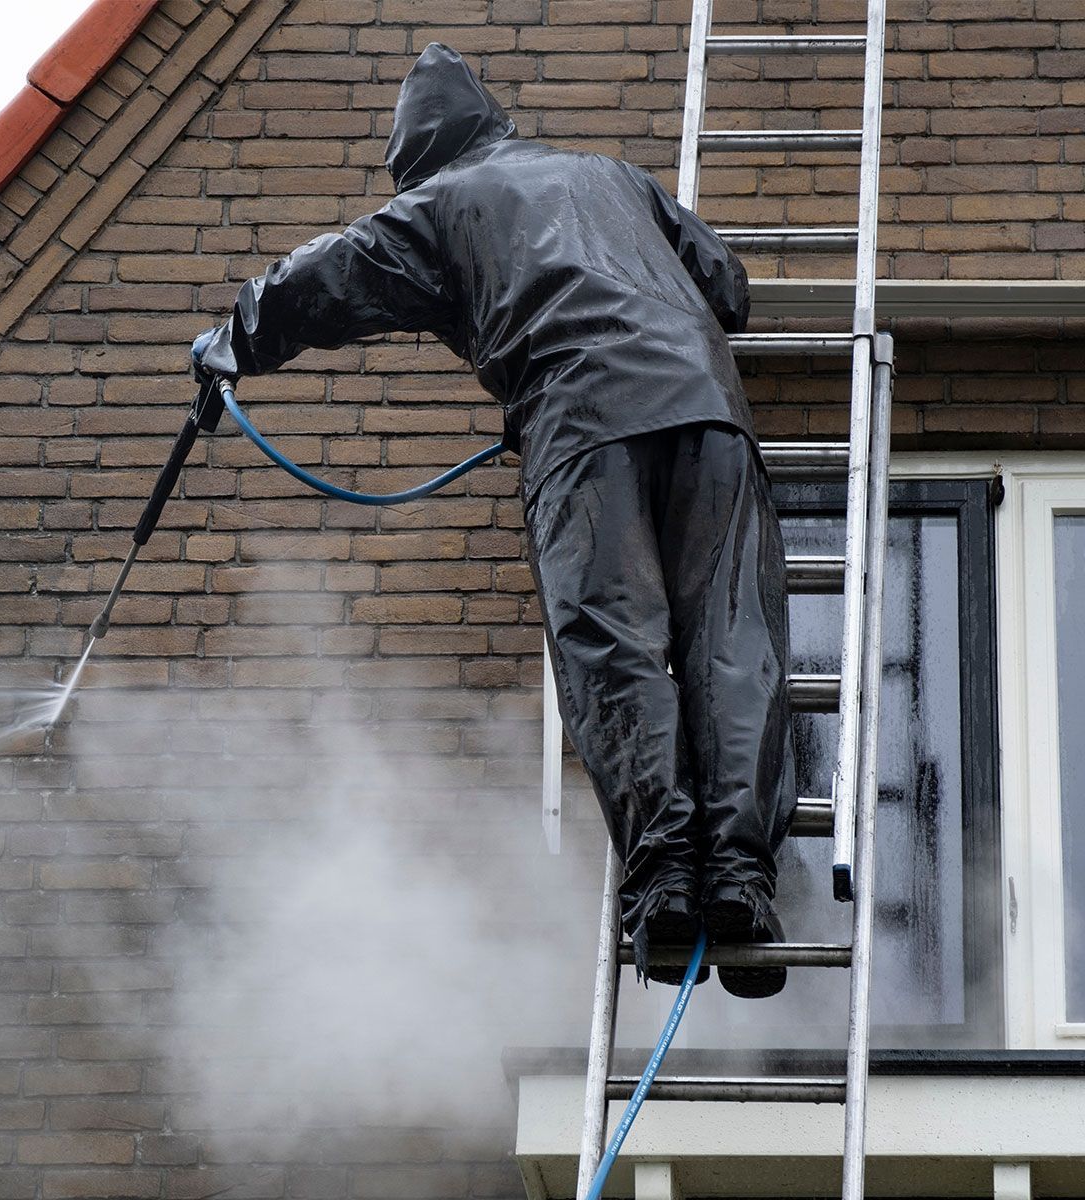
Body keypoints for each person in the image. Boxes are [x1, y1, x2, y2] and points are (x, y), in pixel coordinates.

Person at [190, 43, 794, 998]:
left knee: (613, 640)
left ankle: (669, 880)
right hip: (709, 413)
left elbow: (325, 279)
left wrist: (231, 340)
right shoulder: (613, 178)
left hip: (585, 421)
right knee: (733, 637)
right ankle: (747, 881)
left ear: (422, 158)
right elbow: (729, 290)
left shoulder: (440, 203)